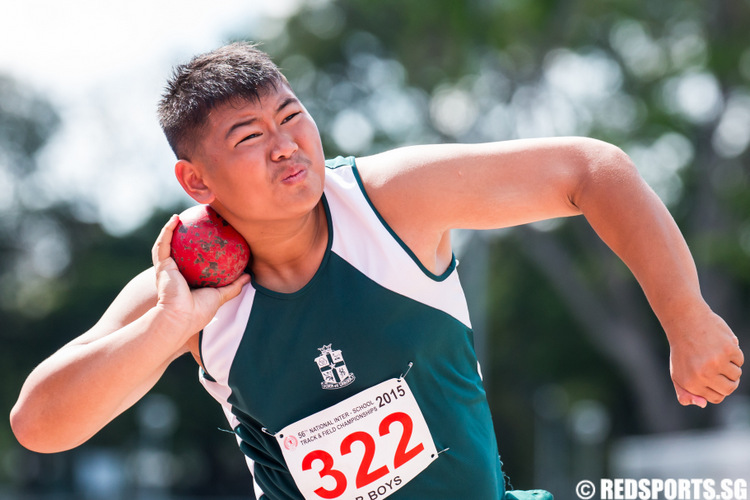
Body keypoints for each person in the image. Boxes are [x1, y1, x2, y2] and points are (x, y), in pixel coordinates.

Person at [10, 42, 743, 499]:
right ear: (197, 182)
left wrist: (684, 313)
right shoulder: (186, 290)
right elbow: (39, 425)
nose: (287, 146)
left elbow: (591, 168)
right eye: (249, 136)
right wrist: (168, 328)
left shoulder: (388, 202)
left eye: (291, 116)